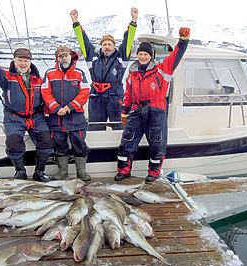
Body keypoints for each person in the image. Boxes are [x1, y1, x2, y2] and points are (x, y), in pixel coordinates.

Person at [114, 27, 190, 182]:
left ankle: (153, 173)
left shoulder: (163, 68)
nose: (142, 57)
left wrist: (183, 40)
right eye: (140, 54)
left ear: (151, 56)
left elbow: (177, 54)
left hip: (157, 109)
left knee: (157, 142)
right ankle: (123, 170)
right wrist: (124, 112)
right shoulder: (132, 73)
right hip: (136, 110)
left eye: (145, 54)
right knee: (127, 140)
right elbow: (128, 94)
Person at [0, 48, 53, 182]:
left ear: (30, 62)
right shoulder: (7, 76)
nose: (23, 63)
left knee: (46, 141)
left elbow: (47, 96)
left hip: (36, 116)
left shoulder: (38, 79)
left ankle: (40, 172)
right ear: (14, 61)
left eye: (25, 60)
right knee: (13, 143)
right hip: (14, 117)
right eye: (20, 60)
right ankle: (20, 171)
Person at [70, 7, 138, 131]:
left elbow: (128, 40)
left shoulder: (122, 57)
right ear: (101, 46)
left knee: (119, 126)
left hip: (115, 95)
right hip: (96, 96)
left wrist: (133, 21)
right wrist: (75, 22)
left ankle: (121, 149)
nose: (107, 46)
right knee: (95, 127)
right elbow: (83, 41)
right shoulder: (93, 57)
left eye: (110, 44)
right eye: (104, 44)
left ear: (114, 46)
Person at [41, 46, 91, 181]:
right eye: (60, 56)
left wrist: (70, 107)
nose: (64, 58)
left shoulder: (79, 73)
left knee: (79, 142)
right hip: (56, 116)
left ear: (71, 56)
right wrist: (56, 108)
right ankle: (62, 171)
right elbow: (45, 92)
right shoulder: (49, 73)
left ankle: (81, 171)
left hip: (75, 115)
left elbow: (85, 92)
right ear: (57, 59)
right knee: (58, 142)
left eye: (66, 56)